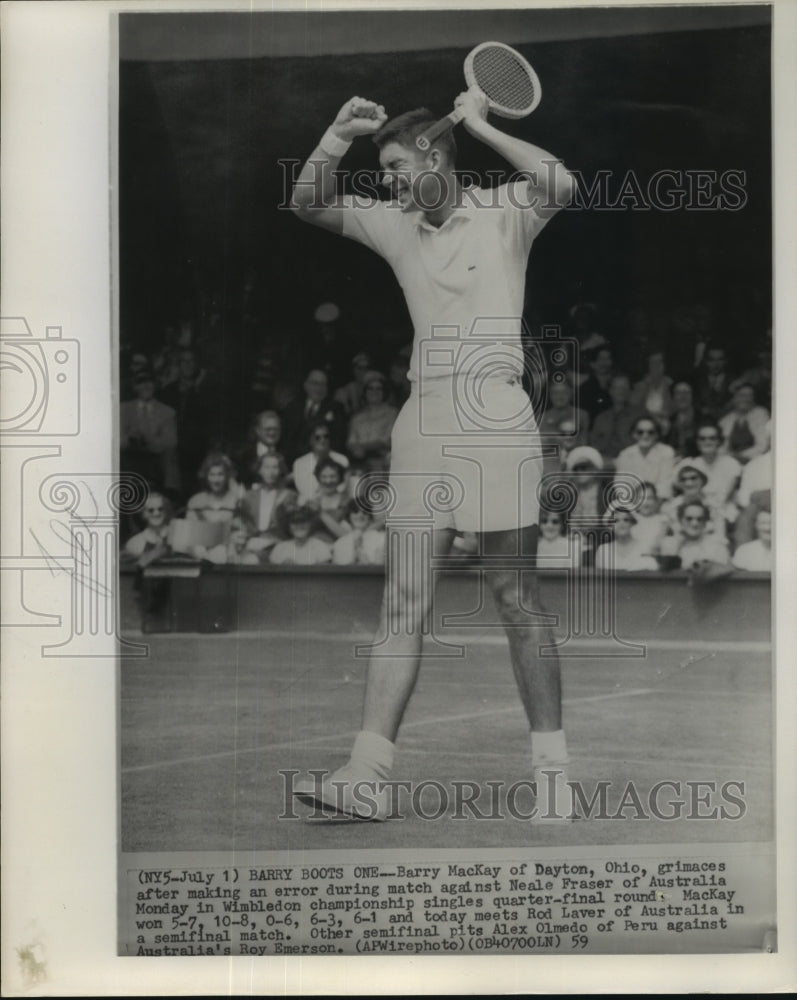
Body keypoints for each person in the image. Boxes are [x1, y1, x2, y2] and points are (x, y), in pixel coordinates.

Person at [290, 91, 576, 820]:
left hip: (497, 418)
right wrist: (335, 133)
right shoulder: (393, 223)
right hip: (423, 425)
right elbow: (305, 206)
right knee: (402, 603)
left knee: (516, 601)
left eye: (391, 164)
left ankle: (551, 775)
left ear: (434, 155)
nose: (382, 179)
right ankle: (366, 775)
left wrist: (481, 123)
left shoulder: (509, 209)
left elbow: (562, 184)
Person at [240, 453, 298, 553]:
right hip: (253, 543)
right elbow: (245, 524)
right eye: (266, 467)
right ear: (260, 470)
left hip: (279, 544)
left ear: (280, 470)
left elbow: (290, 527)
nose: (271, 472)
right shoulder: (249, 496)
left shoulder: (288, 495)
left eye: (275, 467)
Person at [345, 370, 398, 471]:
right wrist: (355, 449)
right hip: (359, 463)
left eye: (379, 388)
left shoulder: (393, 413)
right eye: (370, 388)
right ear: (365, 392)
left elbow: (387, 440)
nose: (374, 392)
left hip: (383, 463)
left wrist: (363, 447)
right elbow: (351, 441)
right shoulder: (357, 417)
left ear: (384, 392)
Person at [615, 415, 676, 500]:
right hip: (632, 503)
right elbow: (621, 486)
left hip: (659, 502)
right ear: (634, 434)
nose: (645, 435)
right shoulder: (625, 455)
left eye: (650, 432)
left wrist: (650, 502)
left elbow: (665, 485)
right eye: (640, 432)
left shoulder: (666, 452)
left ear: (657, 435)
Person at [588, 373, 642, 464]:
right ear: (611, 391)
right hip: (604, 464)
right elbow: (593, 445)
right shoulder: (601, 418)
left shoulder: (640, 415)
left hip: (631, 463)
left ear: (630, 391)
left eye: (624, 387)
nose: (621, 391)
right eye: (617, 387)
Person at [291, 422, 350, 505]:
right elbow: (304, 491)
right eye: (317, 437)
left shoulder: (341, 459)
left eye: (326, 436)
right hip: (310, 505)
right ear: (310, 440)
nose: (323, 440)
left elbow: (342, 488)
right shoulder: (300, 463)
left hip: (337, 503)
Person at [718, 383, 770, 465]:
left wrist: (740, 456)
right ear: (734, 398)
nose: (746, 399)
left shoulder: (760, 414)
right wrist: (729, 459)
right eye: (742, 395)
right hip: (730, 462)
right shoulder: (726, 420)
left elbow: (763, 445)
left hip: (755, 461)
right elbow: (722, 448)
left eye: (750, 395)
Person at [186, 452, 243, 524]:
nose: (216, 480)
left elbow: (242, 529)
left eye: (220, 474)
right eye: (212, 475)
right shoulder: (196, 501)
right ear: (206, 476)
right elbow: (191, 529)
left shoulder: (236, 500)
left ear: (227, 476)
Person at [594, 508, 658, 572]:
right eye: (616, 521)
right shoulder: (603, 550)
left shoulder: (644, 547)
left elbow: (653, 572)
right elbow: (600, 577)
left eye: (626, 520)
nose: (621, 524)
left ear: (632, 523)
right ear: (610, 526)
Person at [332, 499, 386, 566]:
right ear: (349, 516)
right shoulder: (340, 543)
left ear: (370, 516)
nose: (360, 515)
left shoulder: (381, 539)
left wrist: (359, 548)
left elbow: (379, 569)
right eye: (355, 511)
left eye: (365, 512)